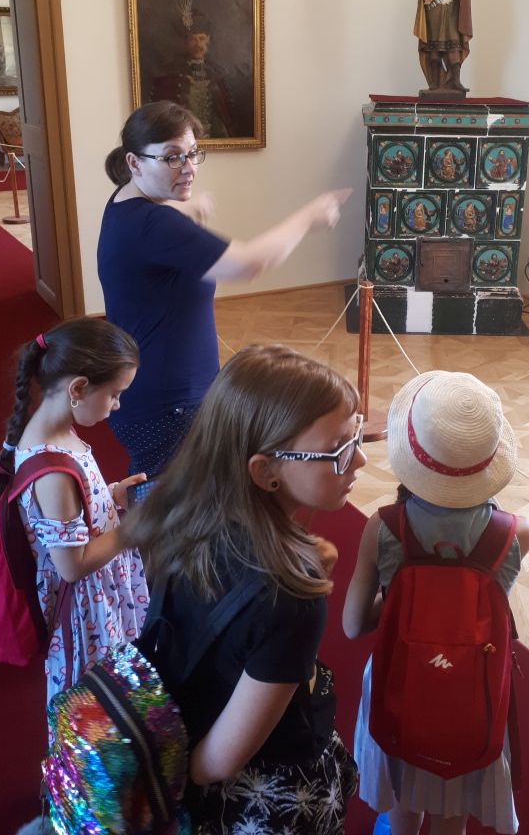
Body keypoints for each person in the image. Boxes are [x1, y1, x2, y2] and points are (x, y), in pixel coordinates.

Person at [123, 344, 365, 834]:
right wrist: (173, 791)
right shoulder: (292, 600)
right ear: (265, 471)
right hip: (265, 795)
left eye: (356, 435)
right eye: (338, 449)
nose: (358, 459)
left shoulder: (180, 516)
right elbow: (220, 761)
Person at [99, 100, 350, 488]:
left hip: (152, 391)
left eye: (192, 153)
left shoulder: (125, 204)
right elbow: (248, 264)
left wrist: (186, 211)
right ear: (134, 163)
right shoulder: (154, 224)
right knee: (176, 503)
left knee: (179, 496)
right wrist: (309, 217)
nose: (188, 168)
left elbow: (153, 234)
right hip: (168, 404)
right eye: (172, 157)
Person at [343, 370, 529, 835]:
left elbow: (352, 625)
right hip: (473, 692)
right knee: (453, 818)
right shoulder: (516, 534)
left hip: (399, 681)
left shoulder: (383, 528)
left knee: (402, 805)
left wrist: (403, 604)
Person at [0, 318, 149, 706]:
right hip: (87, 614)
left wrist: (111, 496)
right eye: (115, 394)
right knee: (101, 705)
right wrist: (137, 527)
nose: (118, 404)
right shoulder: (52, 471)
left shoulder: (55, 430)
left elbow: (72, 514)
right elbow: (72, 565)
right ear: (78, 388)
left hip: (99, 592)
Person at [150, 3, 236, 138]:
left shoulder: (219, 75)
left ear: (208, 42)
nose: (198, 44)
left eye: (201, 39)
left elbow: (226, 116)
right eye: (193, 39)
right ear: (186, 43)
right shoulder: (169, 75)